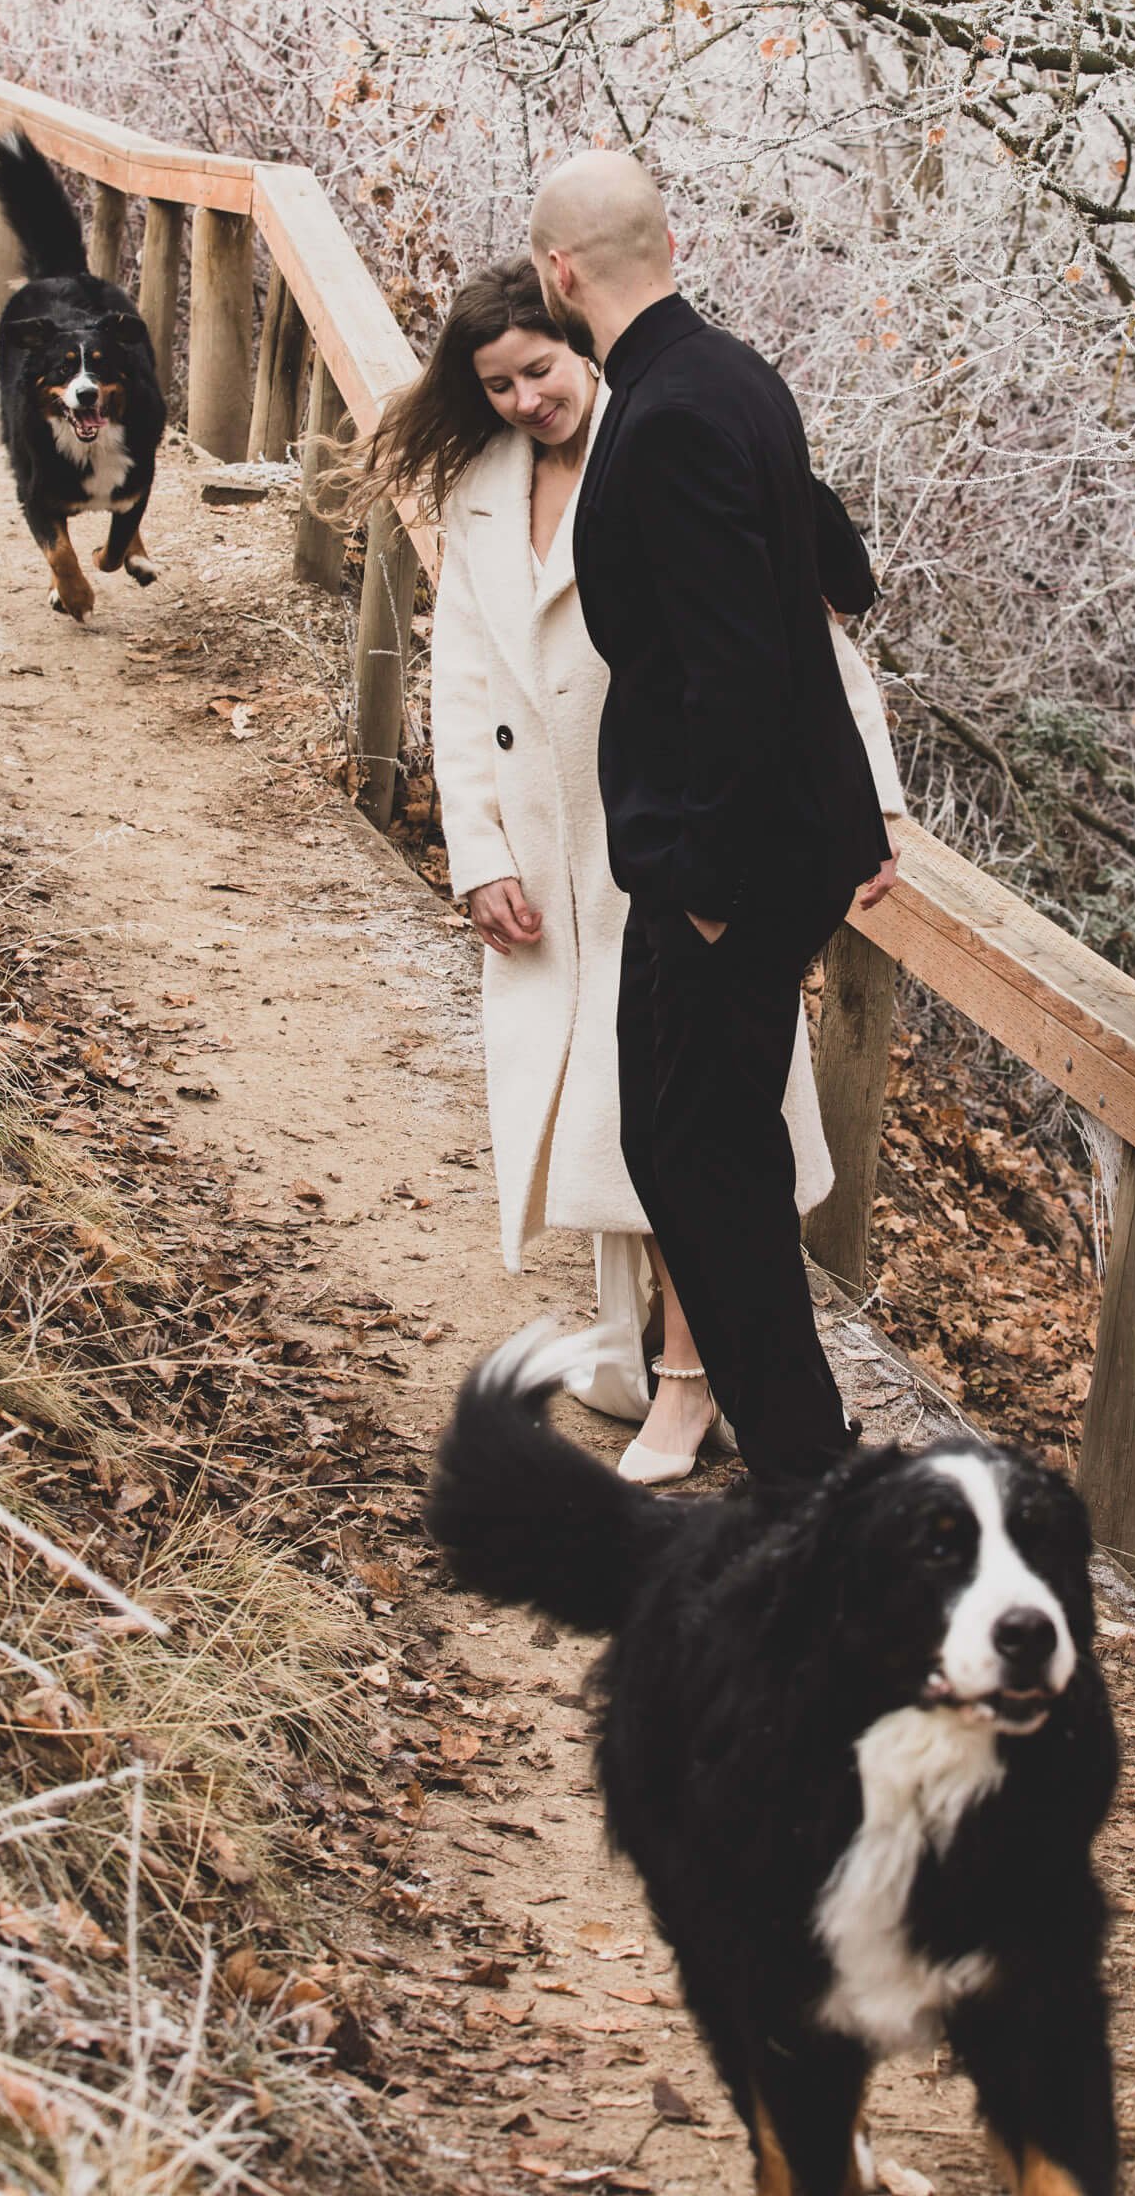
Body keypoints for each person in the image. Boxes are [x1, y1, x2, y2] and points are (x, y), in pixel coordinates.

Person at [361, 256, 907, 1482]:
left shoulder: (664, 438)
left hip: (667, 836)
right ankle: (640, 1353)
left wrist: (867, 793)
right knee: (618, 1128)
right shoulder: (483, 488)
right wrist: (478, 850)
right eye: (493, 385)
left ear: (582, 344)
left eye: (537, 371)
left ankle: (688, 1385)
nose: (520, 402)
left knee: (678, 1133)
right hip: (554, 847)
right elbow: (462, 676)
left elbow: (790, 632)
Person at [531, 152, 898, 1492]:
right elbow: (829, 563)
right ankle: (808, 1452)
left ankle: (809, 1474)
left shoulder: (673, 410)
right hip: (769, 833)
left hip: (733, 851)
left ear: (561, 273)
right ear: (667, 240)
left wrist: (705, 880)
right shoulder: (731, 377)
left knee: (696, 1147)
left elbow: (734, 661)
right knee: (694, 1143)